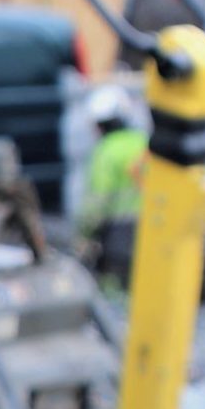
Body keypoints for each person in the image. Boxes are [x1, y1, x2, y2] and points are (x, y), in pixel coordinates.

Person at [76, 83, 145, 286]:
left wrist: (84, 234)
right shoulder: (143, 142)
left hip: (118, 235)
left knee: (114, 290)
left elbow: (97, 202)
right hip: (151, 226)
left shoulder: (106, 152)